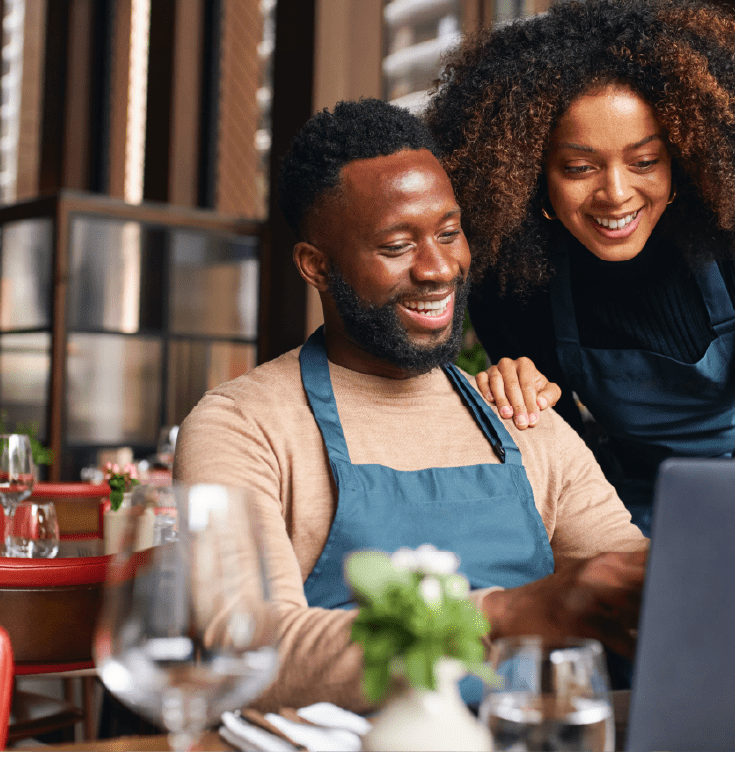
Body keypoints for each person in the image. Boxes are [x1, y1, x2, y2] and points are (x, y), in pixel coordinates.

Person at [174, 98, 646, 713]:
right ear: (316, 266)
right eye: (398, 246)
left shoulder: (521, 413)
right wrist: (504, 613)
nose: (439, 268)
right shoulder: (242, 425)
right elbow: (246, 646)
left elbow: (632, 585)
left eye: (449, 233)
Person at [424, 0, 735, 534]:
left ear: (683, 158)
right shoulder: (512, 275)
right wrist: (517, 400)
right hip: (639, 496)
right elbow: (566, 465)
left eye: (645, 160)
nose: (616, 194)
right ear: (531, 177)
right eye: (579, 168)